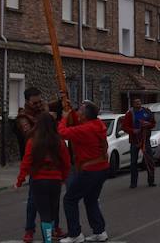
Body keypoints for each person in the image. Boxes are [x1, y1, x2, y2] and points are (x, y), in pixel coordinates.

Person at [16, 87, 64, 243]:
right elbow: (28, 133)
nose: (38, 105)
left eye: (39, 101)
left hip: (51, 164)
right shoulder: (23, 117)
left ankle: (54, 227)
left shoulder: (43, 108)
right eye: (34, 103)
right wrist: (44, 120)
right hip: (36, 165)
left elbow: (58, 104)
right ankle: (29, 230)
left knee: (53, 202)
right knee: (32, 201)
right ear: (28, 102)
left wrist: (63, 98)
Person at [58, 100, 109, 243]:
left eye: (80, 110)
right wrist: (70, 110)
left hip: (90, 170)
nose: (78, 112)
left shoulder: (85, 129)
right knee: (91, 199)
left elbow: (62, 132)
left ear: (85, 115)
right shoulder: (98, 124)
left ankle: (75, 234)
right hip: (102, 167)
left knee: (69, 199)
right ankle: (99, 231)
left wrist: (64, 117)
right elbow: (78, 121)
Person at [121, 97, 156, 188]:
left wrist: (148, 124)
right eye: (136, 102)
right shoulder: (129, 114)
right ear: (133, 104)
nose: (138, 104)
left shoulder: (147, 112)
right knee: (133, 162)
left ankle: (151, 181)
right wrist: (133, 130)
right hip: (134, 140)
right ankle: (133, 183)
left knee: (149, 160)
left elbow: (153, 123)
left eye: (139, 102)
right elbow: (124, 127)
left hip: (145, 139)